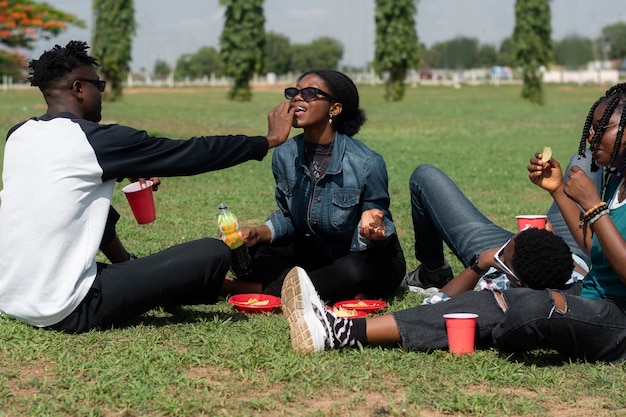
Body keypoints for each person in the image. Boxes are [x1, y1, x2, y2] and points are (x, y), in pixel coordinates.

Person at [282, 82, 626, 363]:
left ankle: (338, 331)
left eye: (602, 129)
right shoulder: (615, 180)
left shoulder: (604, 192)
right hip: (586, 290)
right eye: (591, 129)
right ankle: (338, 327)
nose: (593, 140)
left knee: (525, 305)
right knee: (512, 299)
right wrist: (559, 192)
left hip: (615, 318)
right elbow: (594, 249)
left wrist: (593, 206)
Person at [0, 40, 294, 333]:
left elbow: (65, 196)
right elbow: (193, 153)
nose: (101, 94)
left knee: (95, 213)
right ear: (78, 88)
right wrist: (266, 141)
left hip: (12, 295)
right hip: (66, 309)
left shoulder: (19, 135)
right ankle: (232, 286)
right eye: (97, 86)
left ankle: (131, 265)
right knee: (213, 253)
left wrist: (121, 169)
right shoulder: (96, 140)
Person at [220, 69, 406, 303]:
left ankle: (240, 288)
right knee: (246, 253)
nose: (298, 98)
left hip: (366, 257)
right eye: (294, 93)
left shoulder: (366, 162)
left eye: (309, 93)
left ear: (335, 109)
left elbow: (378, 215)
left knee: (351, 271)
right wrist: (256, 233)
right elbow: (289, 218)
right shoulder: (285, 154)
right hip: (319, 254)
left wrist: (374, 225)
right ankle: (326, 288)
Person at [403, 151, 603, 304]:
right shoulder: (576, 291)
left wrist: (481, 263)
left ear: (514, 279)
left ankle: (433, 273)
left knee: (424, 175)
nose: (523, 234)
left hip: (492, 252)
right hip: (568, 251)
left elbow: (434, 308)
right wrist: (555, 248)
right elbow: (589, 279)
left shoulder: (498, 296)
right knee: (585, 158)